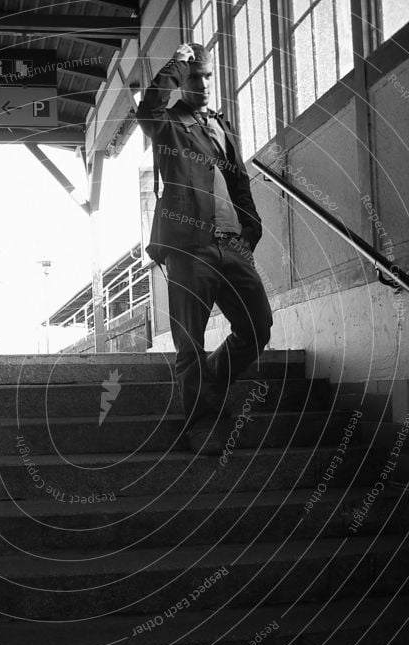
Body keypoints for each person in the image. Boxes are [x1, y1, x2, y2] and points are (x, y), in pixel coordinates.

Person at [136, 42, 273, 454]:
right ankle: (201, 422)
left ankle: (208, 389)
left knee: (257, 326)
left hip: (233, 243)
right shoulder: (168, 124)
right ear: (182, 81)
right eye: (195, 76)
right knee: (189, 341)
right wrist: (177, 64)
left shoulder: (222, 124)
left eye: (207, 76)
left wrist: (250, 228)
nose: (204, 83)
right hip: (188, 244)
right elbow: (147, 110)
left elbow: (239, 180)